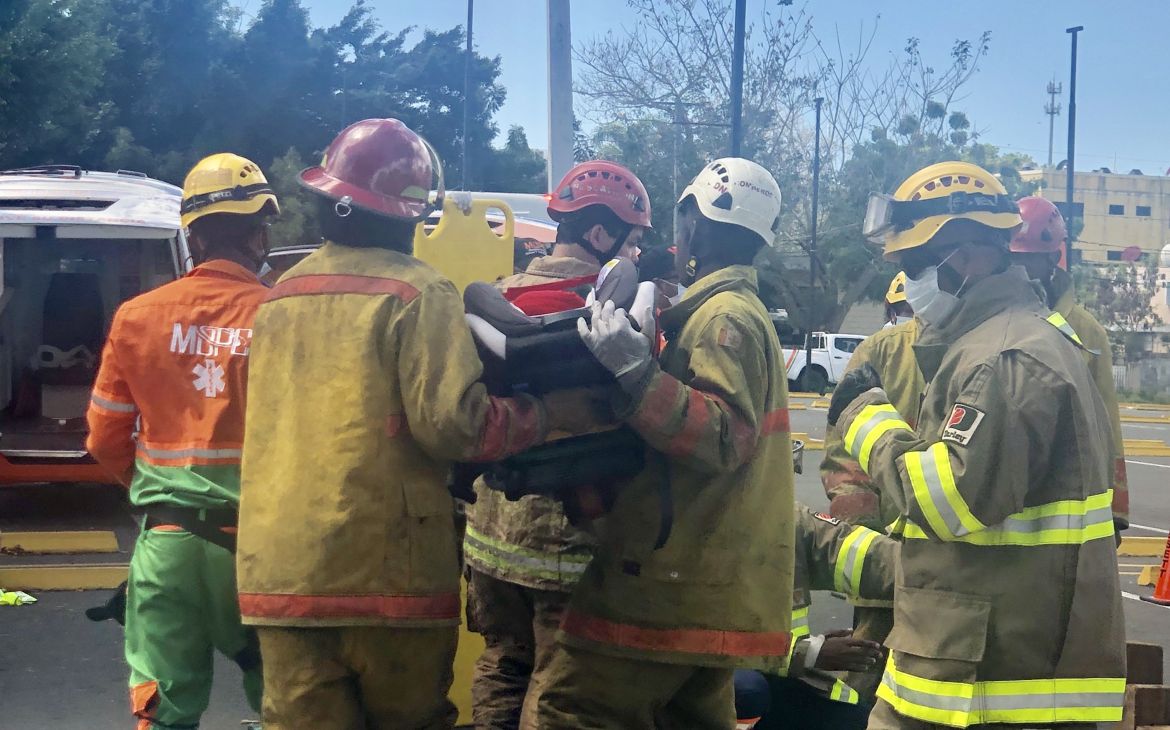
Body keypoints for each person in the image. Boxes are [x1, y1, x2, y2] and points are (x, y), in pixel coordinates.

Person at [235, 118, 586, 730]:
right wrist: (553, 415)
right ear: (409, 216)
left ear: (328, 202)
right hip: (386, 574)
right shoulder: (418, 293)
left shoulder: (279, 297)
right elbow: (457, 428)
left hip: (280, 573)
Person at [828, 160, 1125, 729]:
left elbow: (950, 499)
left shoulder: (1003, 356)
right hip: (974, 660)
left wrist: (865, 420)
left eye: (914, 263)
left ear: (966, 256)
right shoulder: (997, 343)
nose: (909, 281)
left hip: (987, 681)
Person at [536, 158, 796, 728]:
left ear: (695, 223)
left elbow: (724, 437)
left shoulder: (724, 319)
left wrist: (637, 376)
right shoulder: (727, 311)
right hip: (704, 581)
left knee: (570, 710)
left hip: (668, 582)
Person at [86, 153, 279, 729]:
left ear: (189, 235)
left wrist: (157, 489)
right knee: (285, 702)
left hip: (167, 542)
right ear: (261, 232)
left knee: (163, 709)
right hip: (261, 551)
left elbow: (103, 437)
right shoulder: (281, 317)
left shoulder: (136, 318)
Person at [463, 160, 652, 730]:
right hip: (569, 543)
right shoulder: (617, 305)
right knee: (562, 682)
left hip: (489, 538)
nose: (637, 253)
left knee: (503, 664)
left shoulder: (494, 299)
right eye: (634, 239)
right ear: (601, 235)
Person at [819, 271, 924, 703]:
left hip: (882, 549)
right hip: (930, 551)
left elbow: (841, 457)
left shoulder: (877, 349)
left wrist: (862, 544)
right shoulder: (969, 344)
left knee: (871, 663)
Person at [1009, 195, 1129, 536]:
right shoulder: (983, 321)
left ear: (1052, 258)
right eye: (1012, 259)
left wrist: (1115, 514)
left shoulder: (1085, 330)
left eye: (1028, 261)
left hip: (1067, 501)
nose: (1019, 270)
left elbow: (1106, 422)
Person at [735, 504, 896, 730]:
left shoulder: (785, 518)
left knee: (856, 721)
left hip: (783, 674)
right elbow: (696, 642)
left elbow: (870, 558)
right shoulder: (685, 525)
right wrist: (807, 653)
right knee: (746, 690)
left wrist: (938, 576)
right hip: (706, 685)